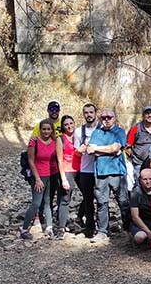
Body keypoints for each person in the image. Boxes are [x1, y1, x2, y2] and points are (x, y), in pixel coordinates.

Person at [87, 108, 130, 243]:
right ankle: (102, 231)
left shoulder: (119, 131)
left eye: (109, 117)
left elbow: (116, 148)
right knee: (101, 202)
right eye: (103, 117)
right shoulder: (96, 132)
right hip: (101, 172)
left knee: (123, 201)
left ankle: (129, 228)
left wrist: (99, 149)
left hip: (117, 171)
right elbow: (90, 150)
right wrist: (110, 150)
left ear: (114, 118)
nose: (106, 120)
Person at [20, 119, 61, 240]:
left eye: (49, 129)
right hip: (38, 175)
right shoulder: (34, 142)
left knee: (48, 201)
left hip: (50, 174)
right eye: (44, 129)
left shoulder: (54, 141)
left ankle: (49, 227)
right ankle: (24, 228)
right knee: (37, 202)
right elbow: (31, 161)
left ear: (52, 130)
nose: (46, 131)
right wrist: (37, 178)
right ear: (40, 129)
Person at [73, 103, 98, 236]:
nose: (89, 115)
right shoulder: (78, 132)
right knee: (88, 199)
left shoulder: (101, 129)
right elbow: (76, 153)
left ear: (95, 114)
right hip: (85, 170)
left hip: (100, 169)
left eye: (91, 112)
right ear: (83, 114)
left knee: (101, 198)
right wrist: (81, 150)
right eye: (86, 112)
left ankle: (103, 226)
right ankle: (89, 227)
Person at [54, 115, 79, 238]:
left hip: (80, 169)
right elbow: (59, 160)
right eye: (66, 124)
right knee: (65, 199)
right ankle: (61, 227)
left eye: (71, 123)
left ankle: (80, 218)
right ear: (63, 127)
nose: (69, 126)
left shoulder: (79, 136)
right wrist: (63, 178)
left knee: (90, 194)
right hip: (67, 170)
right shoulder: (60, 139)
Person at [126, 105, 151, 170]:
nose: (149, 115)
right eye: (147, 113)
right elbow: (128, 146)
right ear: (143, 115)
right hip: (138, 163)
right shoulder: (135, 129)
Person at [129, 168, 151, 245]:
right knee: (140, 237)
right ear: (140, 179)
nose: (148, 182)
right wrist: (149, 233)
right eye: (145, 179)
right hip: (141, 221)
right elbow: (135, 217)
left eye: (150, 179)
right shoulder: (135, 193)